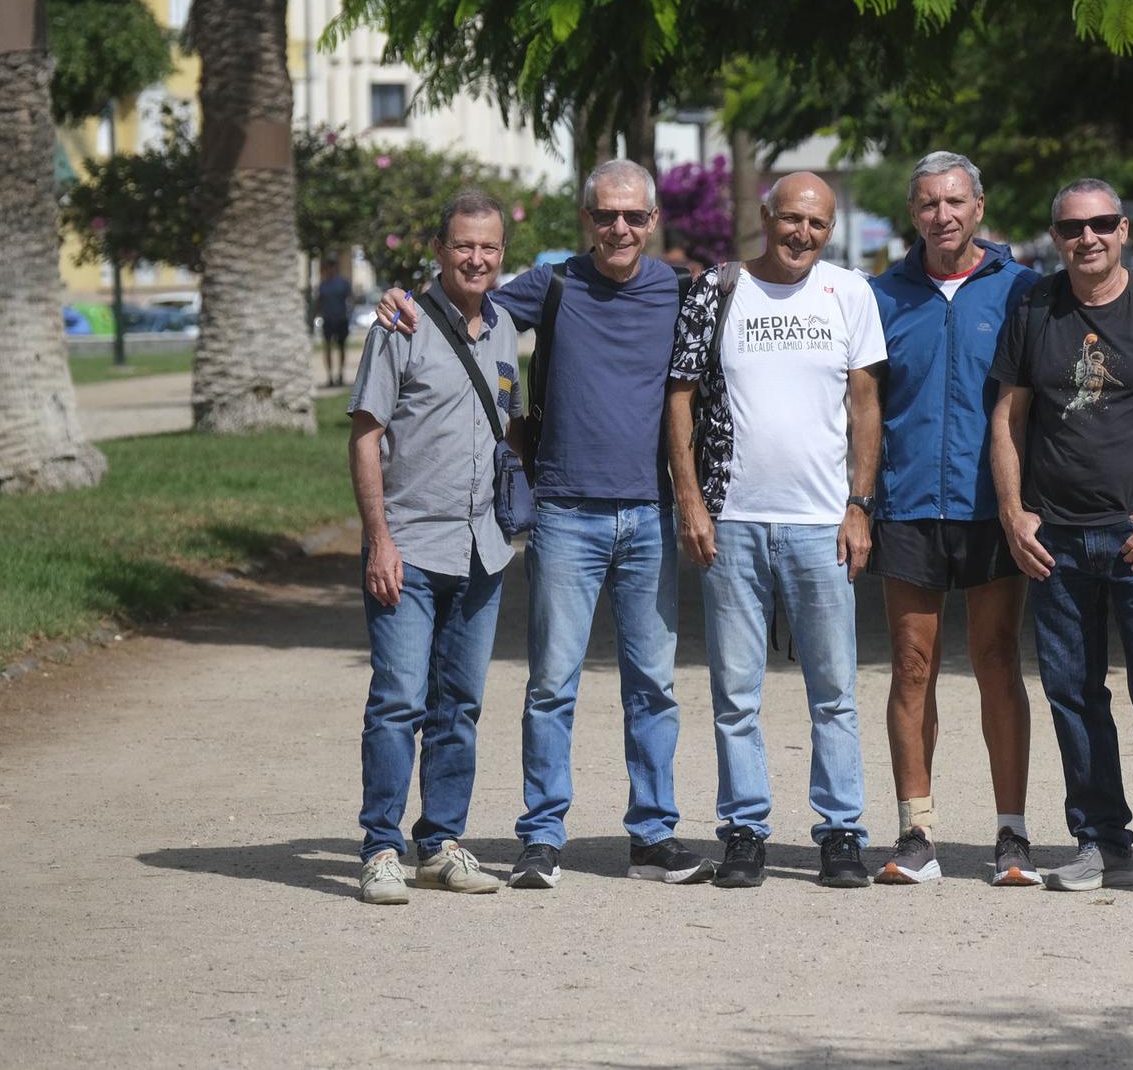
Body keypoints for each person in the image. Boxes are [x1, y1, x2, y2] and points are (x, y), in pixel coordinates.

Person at [378, 159, 709, 891]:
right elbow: (460, 305)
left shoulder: (682, 290)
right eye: (604, 215)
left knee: (652, 684)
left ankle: (652, 837)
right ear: (584, 220)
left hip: (650, 512)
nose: (618, 227)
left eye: (632, 216)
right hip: (564, 513)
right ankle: (541, 837)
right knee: (551, 685)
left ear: (653, 222)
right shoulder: (553, 285)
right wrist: (399, 298)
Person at [989, 178, 1133, 901]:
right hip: (1057, 539)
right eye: (1071, 228)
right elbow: (1008, 418)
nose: (1086, 238)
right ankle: (1099, 842)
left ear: (1124, 230)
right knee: (1072, 693)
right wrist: (1013, 513)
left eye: (1100, 225)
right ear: (1055, 237)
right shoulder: (1034, 307)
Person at [666, 171, 886, 890]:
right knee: (735, 691)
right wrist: (692, 502)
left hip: (820, 523)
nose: (802, 235)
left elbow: (864, 407)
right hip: (731, 519)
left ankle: (841, 832)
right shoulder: (717, 289)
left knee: (834, 691)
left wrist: (859, 505)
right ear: (766, 216)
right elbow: (680, 399)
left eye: (817, 225)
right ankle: (744, 832)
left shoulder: (849, 293)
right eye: (791, 220)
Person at [867, 151, 1040, 886]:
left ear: (979, 207)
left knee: (999, 660)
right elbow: (862, 405)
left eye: (956, 202)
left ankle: (1012, 833)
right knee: (911, 666)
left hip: (993, 507)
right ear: (914, 214)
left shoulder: (1024, 290)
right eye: (929, 204)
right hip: (906, 503)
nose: (943, 216)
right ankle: (917, 832)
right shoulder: (880, 295)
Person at [346, 190, 518, 904]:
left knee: (461, 705)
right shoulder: (401, 323)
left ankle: (439, 841)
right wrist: (378, 540)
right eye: (462, 246)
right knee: (396, 702)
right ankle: (380, 846)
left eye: (488, 247)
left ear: (501, 254)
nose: (476, 258)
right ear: (440, 251)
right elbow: (364, 434)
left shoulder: (507, 326)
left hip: (483, 550)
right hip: (410, 547)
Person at [318, 258, 353, 387]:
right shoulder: (323, 285)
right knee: (327, 348)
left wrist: (349, 315)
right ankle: (330, 377)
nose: (330, 269)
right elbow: (319, 302)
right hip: (328, 320)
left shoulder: (343, 283)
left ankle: (340, 375)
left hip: (341, 320)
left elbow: (350, 299)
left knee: (342, 348)